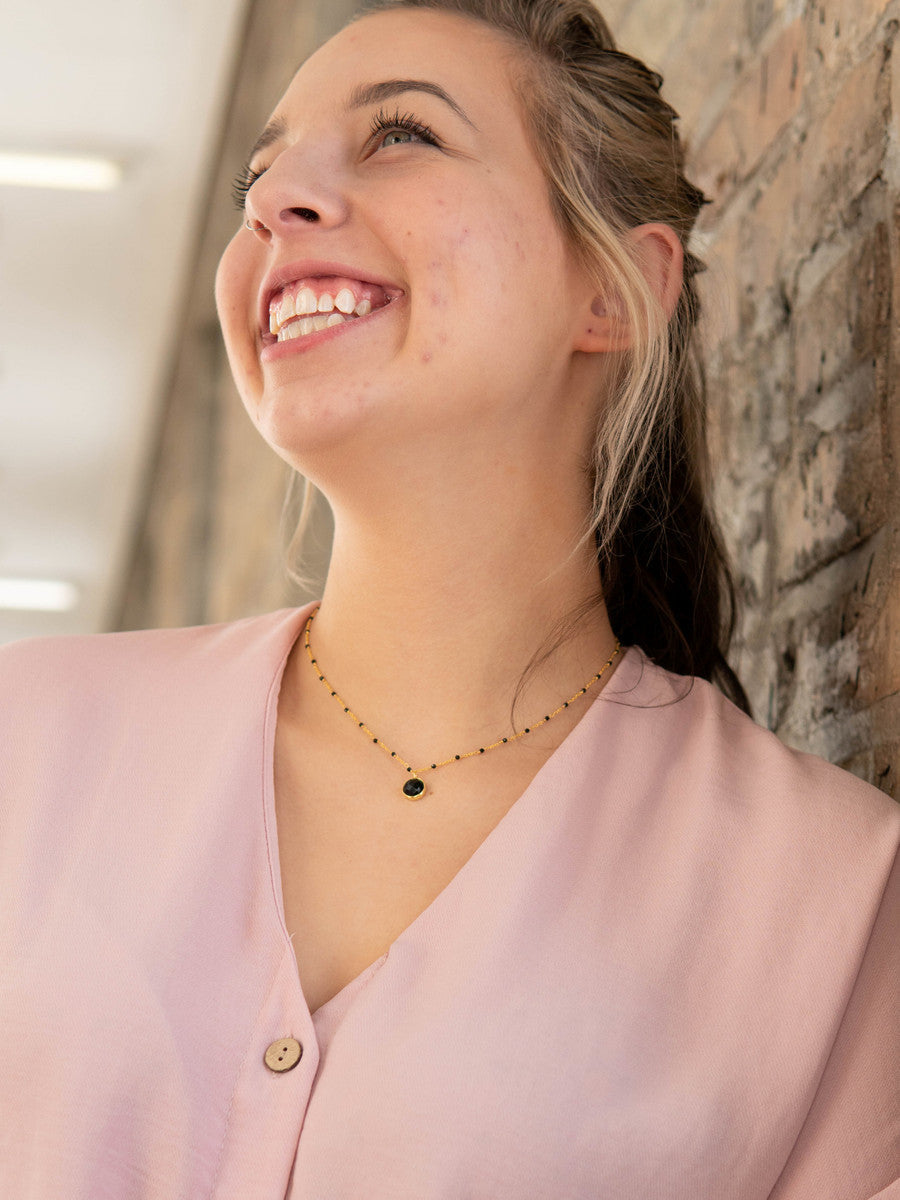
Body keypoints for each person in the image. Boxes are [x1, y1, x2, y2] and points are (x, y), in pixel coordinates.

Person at [1, 0, 897, 1196]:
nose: (274, 203)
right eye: (257, 179)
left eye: (401, 137)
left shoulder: (828, 902)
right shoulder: (26, 738)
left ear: (614, 293)